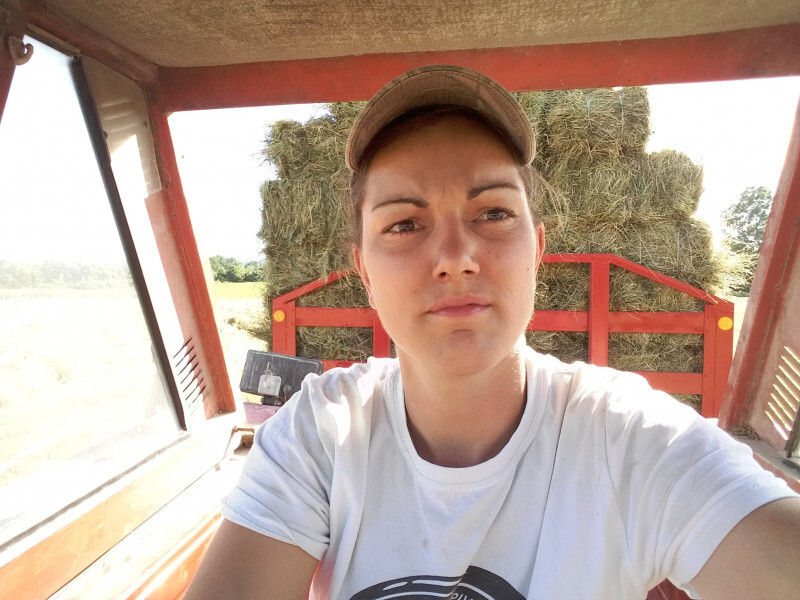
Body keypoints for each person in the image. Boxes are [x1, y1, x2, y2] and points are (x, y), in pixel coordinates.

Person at [185, 65, 800, 599]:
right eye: (404, 224)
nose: (456, 258)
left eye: (495, 213)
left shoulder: (630, 439)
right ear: (364, 272)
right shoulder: (319, 435)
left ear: (538, 250)